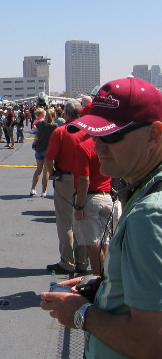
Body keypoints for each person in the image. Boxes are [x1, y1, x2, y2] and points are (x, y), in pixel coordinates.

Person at [41, 77, 162, 359]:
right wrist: (101, 287)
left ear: (154, 134)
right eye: (94, 135)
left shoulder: (149, 213)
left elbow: (151, 342)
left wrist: (81, 313)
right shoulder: (144, 188)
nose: (97, 146)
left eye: (110, 136)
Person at [44, 100, 89, 274]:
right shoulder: (88, 131)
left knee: (65, 223)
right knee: (82, 221)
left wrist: (54, 174)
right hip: (85, 179)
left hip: (66, 178)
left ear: (67, 114)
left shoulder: (61, 131)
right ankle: (83, 261)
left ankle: (67, 261)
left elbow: (49, 159)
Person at [71, 130, 113, 276]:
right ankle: (107, 278)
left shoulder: (84, 146)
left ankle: (99, 280)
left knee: (93, 244)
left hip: (91, 198)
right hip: (107, 196)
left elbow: (84, 179)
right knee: (105, 241)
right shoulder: (109, 144)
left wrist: (79, 206)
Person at [30, 108, 57, 197]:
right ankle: (44, 191)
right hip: (48, 149)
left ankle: (33, 188)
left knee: (38, 169)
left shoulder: (40, 124)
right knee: (46, 171)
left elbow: (33, 128)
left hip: (39, 148)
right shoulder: (54, 126)